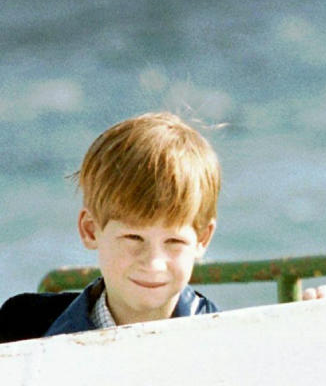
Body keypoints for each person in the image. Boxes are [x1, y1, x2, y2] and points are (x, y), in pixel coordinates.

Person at [1, 112, 221, 342]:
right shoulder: (20, 329)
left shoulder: (228, 343)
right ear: (90, 230)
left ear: (203, 239)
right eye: (134, 238)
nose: (153, 263)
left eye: (174, 241)